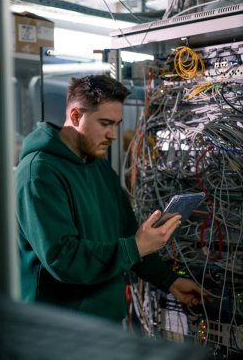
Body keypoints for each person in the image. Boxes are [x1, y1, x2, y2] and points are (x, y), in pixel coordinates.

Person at [15, 75, 211, 322]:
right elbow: (63, 258)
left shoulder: (99, 168)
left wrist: (168, 280)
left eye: (116, 124)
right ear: (75, 116)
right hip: (57, 328)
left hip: (104, 322)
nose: (113, 135)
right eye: (105, 123)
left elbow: (126, 234)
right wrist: (137, 246)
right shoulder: (39, 174)